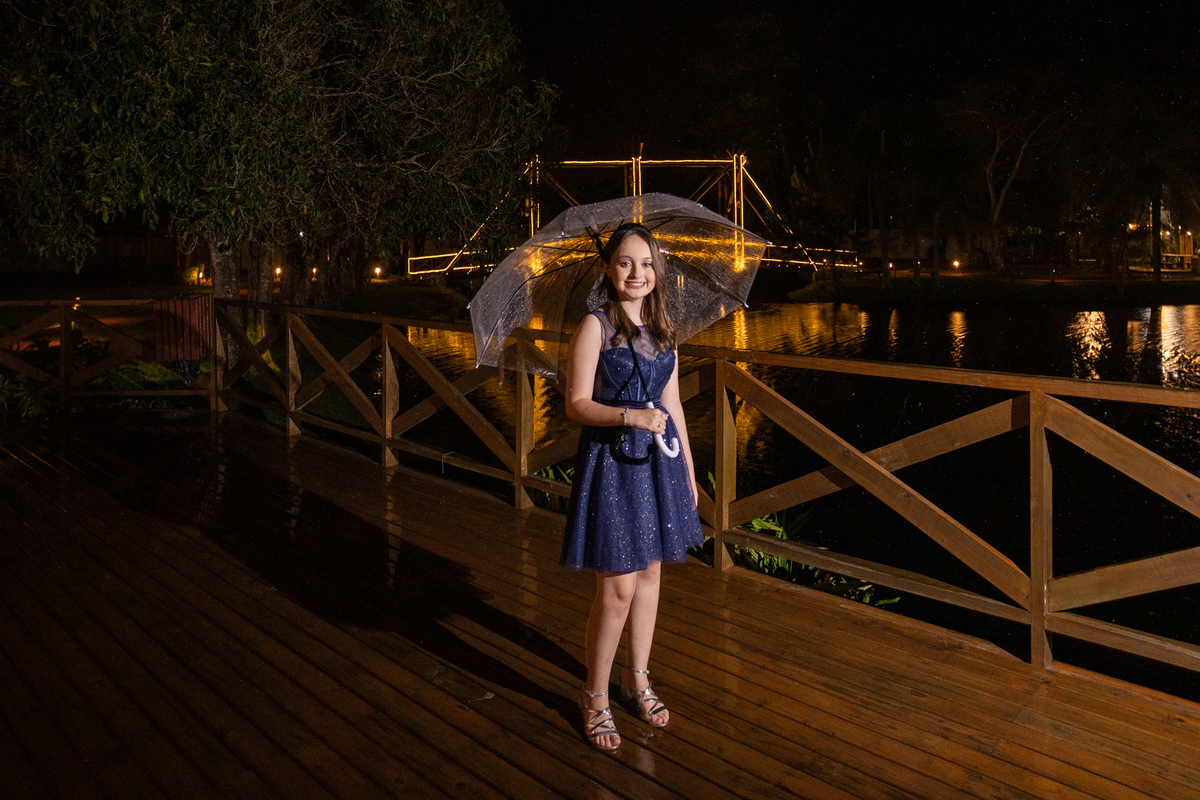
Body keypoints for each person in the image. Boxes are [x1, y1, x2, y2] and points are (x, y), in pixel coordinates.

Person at [560, 222, 703, 751]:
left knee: (650, 574)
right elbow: (576, 403)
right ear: (608, 268)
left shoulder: (664, 330)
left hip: (659, 466)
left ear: (656, 272)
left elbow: (674, 404)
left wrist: (689, 473)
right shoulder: (595, 326)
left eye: (646, 264)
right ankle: (594, 695)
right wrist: (629, 416)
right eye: (625, 262)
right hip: (614, 464)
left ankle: (636, 678)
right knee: (617, 587)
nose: (637, 273)